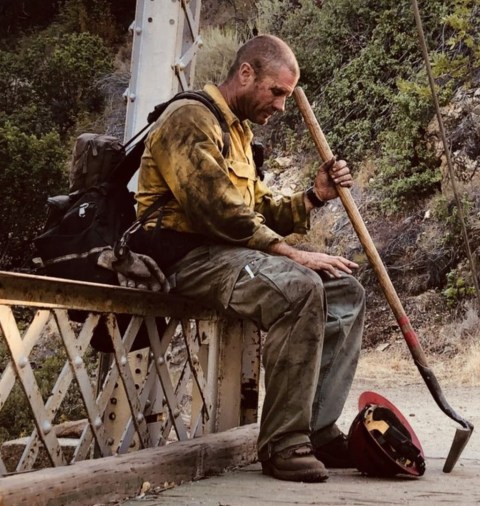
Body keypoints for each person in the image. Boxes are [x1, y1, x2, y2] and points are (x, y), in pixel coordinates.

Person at [134, 34, 364, 483]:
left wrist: (315, 196)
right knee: (299, 288)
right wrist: (290, 253)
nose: (281, 106)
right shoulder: (188, 118)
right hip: (186, 257)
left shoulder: (238, 132)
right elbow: (215, 208)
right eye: (277, 92)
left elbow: (257, 208)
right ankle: (283, 445)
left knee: (346, 293)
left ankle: (317, 429)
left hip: (230, 254)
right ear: (245, 73)